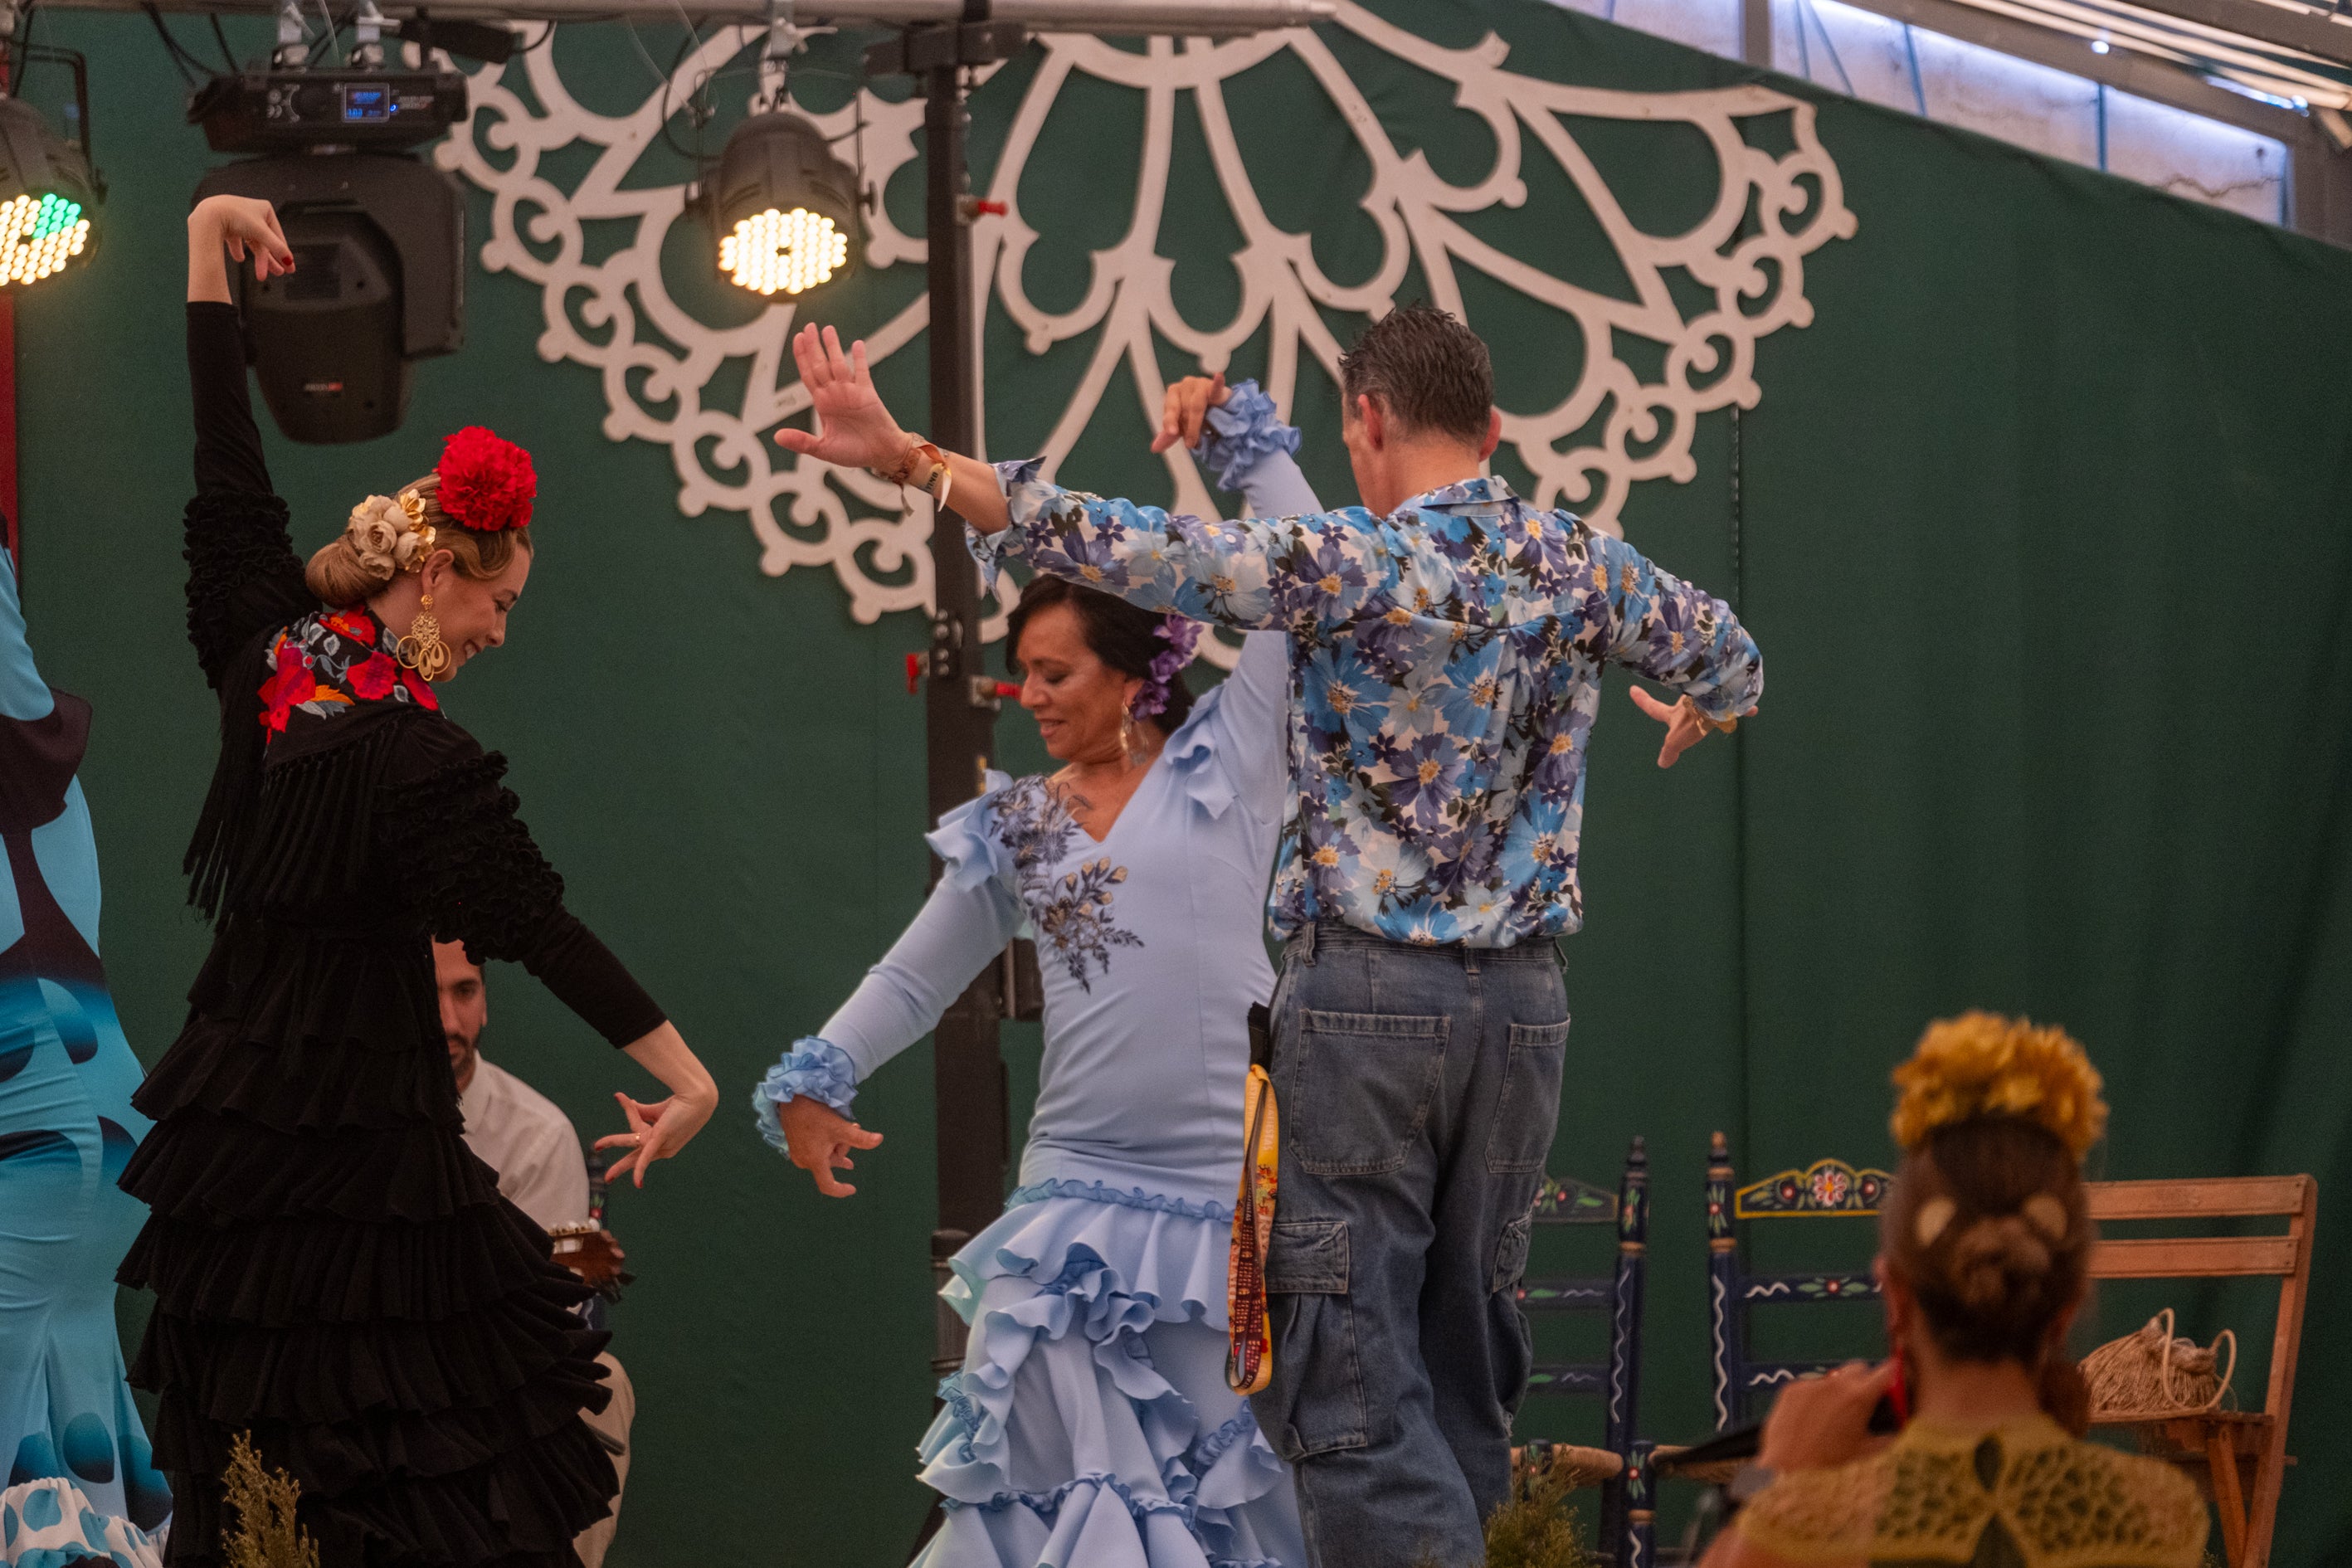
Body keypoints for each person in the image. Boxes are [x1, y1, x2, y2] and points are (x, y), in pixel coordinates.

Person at [775, 310, 1764, 1566]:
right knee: (1464, 1364)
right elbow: (1732, 656)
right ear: (1494, 428)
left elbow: (1128, 545)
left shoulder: (1350, 562)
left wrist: (916, 461)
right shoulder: (1586, 565)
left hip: (1366, 1004)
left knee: (1350, 1391)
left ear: (1367, 419)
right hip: (1523, 1014)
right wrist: (1698, 707)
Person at [116, 192, 720, 1568]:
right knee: (433, 1463)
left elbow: (226, 459)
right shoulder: (412, 756)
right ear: (444, 573)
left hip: (237, 1153)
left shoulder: (263, 650)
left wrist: (203, 241)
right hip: (367, 1160)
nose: (503, 631)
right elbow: (538, 927)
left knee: (269, 1473)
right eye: (500, 602)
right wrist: (688, 1075)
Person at [754, 377, 1319, 1568]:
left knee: (1216, 1518)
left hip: (1222, 1210)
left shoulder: (1233, 760)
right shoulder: (1016, 824)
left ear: (1130, 673)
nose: (1030, 695)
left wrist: (1239, 438)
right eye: (1022, 670)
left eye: (1054, 672)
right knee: (1051, 1516)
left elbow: (1303, 573)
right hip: (1070, 1207)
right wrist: (820, 1075)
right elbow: (912, 978)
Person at [1700, 1013, 2208, 1568]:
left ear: (1894, 1297)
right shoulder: (2161, 1517)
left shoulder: (1807, 1526)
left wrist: (1770, 1474)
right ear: (2067, 1307)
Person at [0, 541, 172, 1568]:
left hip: (48, 1138)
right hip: (73, 1135)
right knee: (62, 1436)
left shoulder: (23, 767)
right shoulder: (39, 789)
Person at [436, 942, 635, 1568]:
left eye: (465, 992)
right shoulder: (333, 1117)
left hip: (493, 1374)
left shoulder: (538, 1133)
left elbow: (548, 1312)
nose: (448, 1020)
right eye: (425, 993)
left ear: (485, 1003)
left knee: (602, 1386)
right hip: (366, 1374)